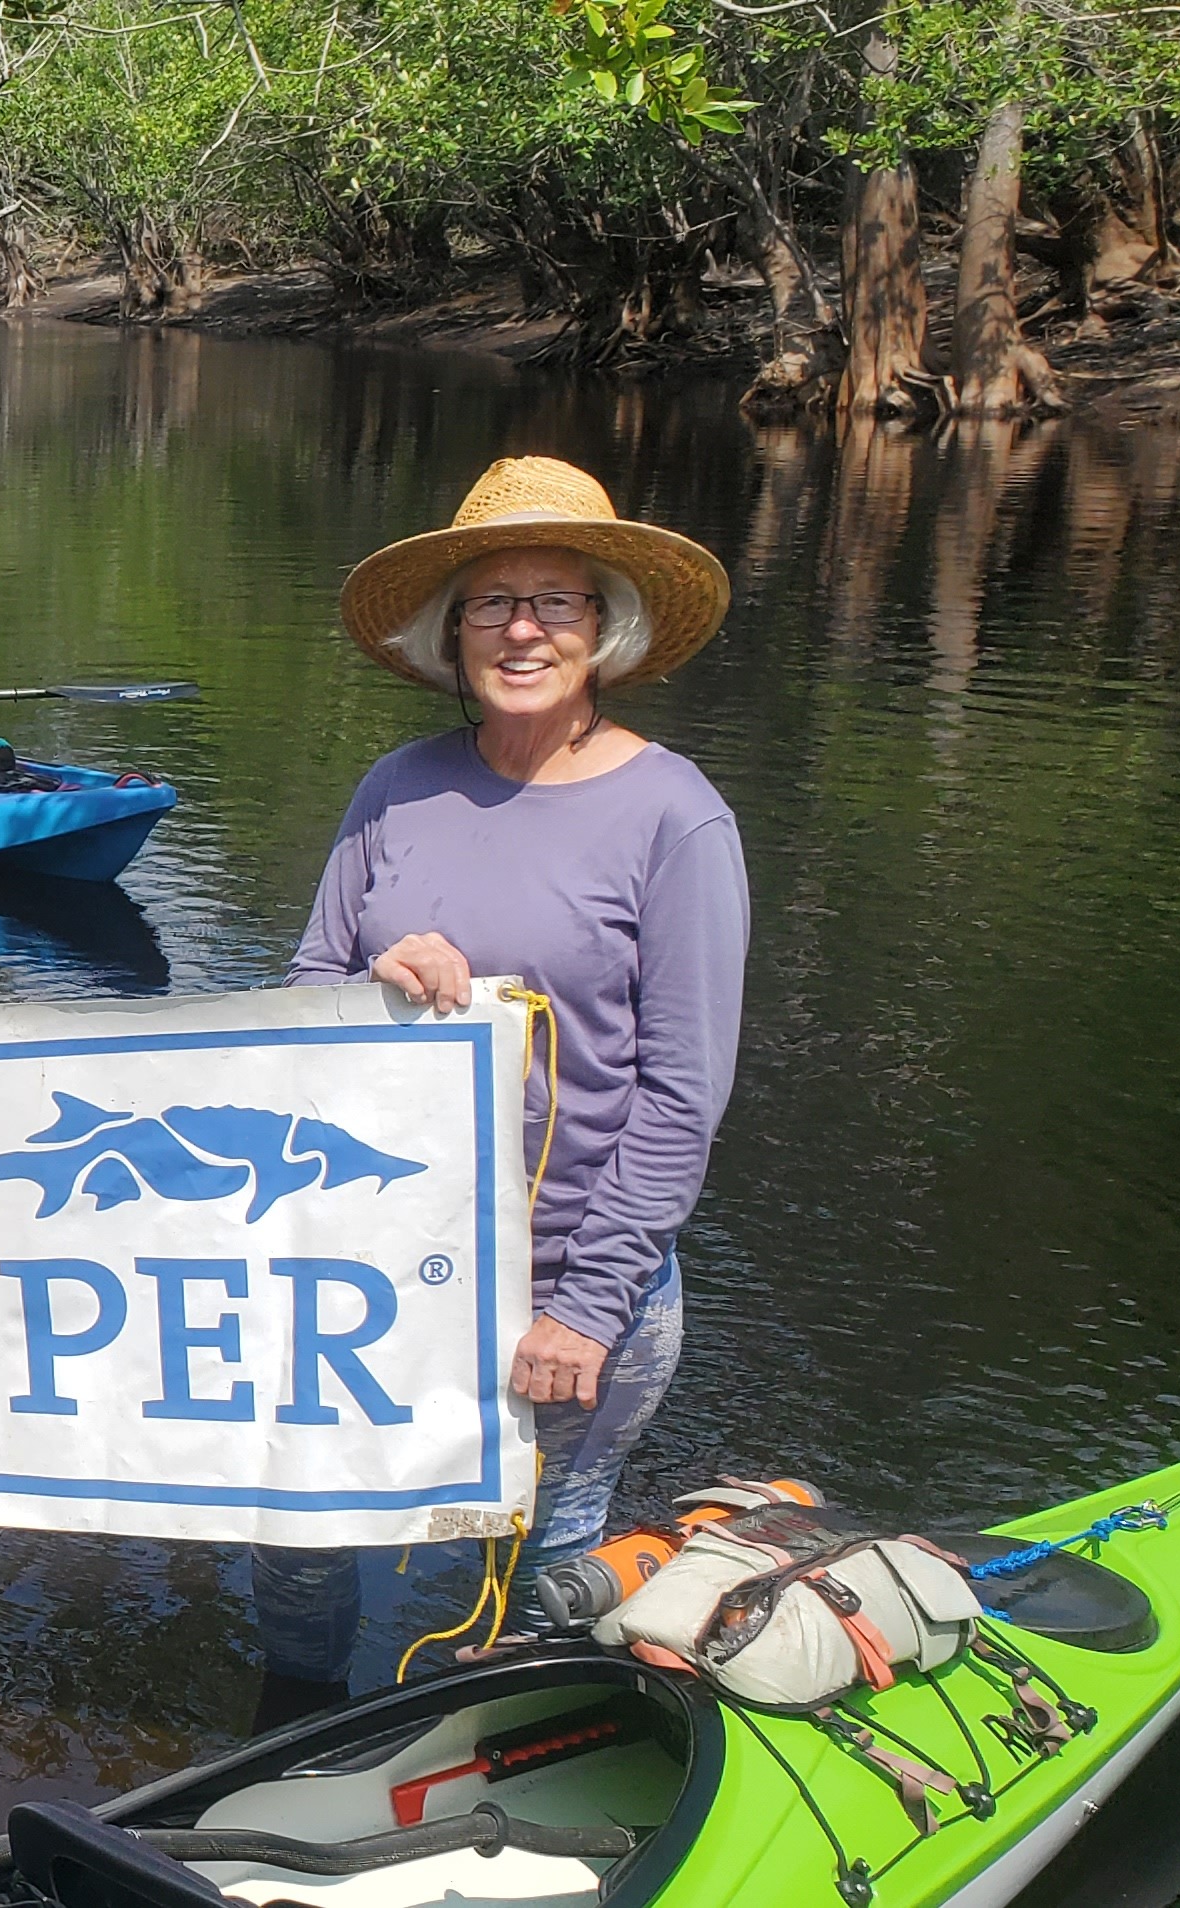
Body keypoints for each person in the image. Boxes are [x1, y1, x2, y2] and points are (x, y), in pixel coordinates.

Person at [250, 455, 748, 1727]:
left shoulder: (674, 819)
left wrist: (583, 1310)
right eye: (494, 602)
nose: (523, 629)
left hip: (574, 1288)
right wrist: (373, 969)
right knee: (300, 1532)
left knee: (525, 1564)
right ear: (451, 629)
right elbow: (305, 987)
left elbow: (682, 1096)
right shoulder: (397, 787)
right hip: (376, 1271)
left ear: (606, 629)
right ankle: (289, 1746)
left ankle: (505, 1770)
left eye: (557, 601)